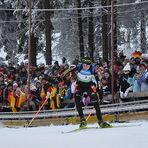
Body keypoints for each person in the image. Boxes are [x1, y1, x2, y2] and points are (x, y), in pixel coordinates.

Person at [74, 56, 111, 128]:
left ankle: (100, 121)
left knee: (95, 101)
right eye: (84, 64)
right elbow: (69, 70)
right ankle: (82, 120)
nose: (85, 66)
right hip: (80, 86)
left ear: (90, 65)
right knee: (77, 99)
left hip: (89, 86)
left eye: (87, 65)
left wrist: (100, 94)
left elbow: (98, 84)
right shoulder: (79, 67)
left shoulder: (93, 71)